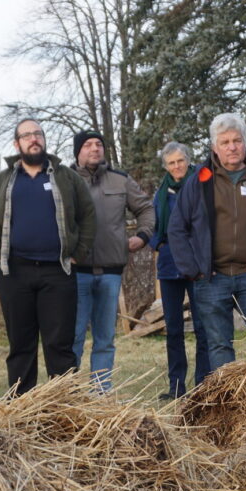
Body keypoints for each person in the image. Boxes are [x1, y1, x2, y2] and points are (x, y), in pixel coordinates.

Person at [0, 118, 96, 394]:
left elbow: (88, 215)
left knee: (60, 345)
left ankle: (64, 407)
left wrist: (79, 252)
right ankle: (20, 409)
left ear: (44, 139)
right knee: (21, 345)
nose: (34, 139)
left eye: (38, 133)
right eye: (27, 135)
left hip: (58, 272)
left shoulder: (66, 178)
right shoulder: (3, 181)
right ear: (17, 144)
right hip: (14, 273)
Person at [167, 113, 246, 374]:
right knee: (219, 346)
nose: (232, 147)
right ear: (215, 147)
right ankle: (228, 404)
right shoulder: (200, 180)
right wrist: (194, 269)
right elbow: (177, 227)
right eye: (225, 142)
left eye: (237, 140)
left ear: (245, 144)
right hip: (212, 277)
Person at [71, 129, 154, 392]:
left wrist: (142, 236)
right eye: (88, 145)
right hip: (74, 273)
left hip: (110, 273)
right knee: (71, 338)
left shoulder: (121, 181)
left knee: (105, 338)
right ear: (78, 152)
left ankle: (101, 393)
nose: (95, 149)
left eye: (99, 144)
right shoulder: (65, 180)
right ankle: (66, 393)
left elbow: (146, 208)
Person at [148, 141, 209, 399]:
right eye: (171, 163)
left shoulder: (202, 186)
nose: (176, 167)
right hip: (169, 267)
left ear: (188, 161)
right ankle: (176, 387)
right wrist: (159, 244)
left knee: (202, 327)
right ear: (166, 166)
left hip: (197, 266)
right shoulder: (161, 194)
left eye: (180, 161)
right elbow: (153, 225)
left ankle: (204, 384)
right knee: (173, 329)